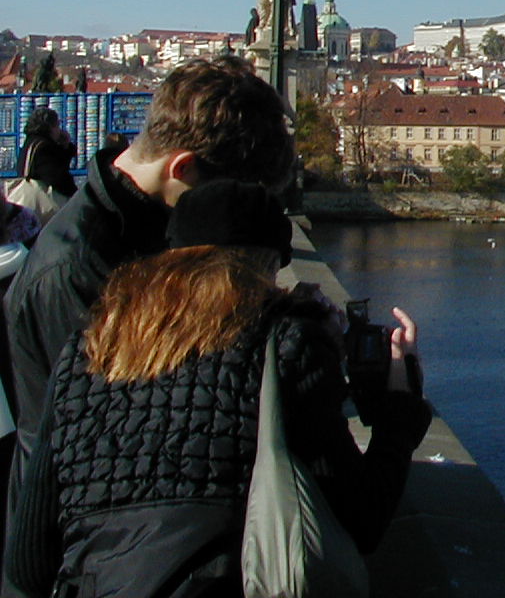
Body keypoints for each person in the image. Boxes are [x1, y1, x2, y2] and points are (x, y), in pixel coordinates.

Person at [3, 179, 430, 597]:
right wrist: (399, 407)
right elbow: (362, 518)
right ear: (263, 266)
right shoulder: (283, 345)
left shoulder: (87, 351)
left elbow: (27, 563)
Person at [3, 57, 294, 530]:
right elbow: (115, 442)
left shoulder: (133, 229)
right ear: (181, 168)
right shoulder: (78, 269)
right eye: (222, 195)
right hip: (84, 535)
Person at [14, 109, 76, 200]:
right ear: (51, 127)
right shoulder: (44, 147)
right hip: (41, 204)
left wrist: (65, 146)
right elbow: (58, 179)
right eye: (57, 125)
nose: (59, 130)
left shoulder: (31, 143)